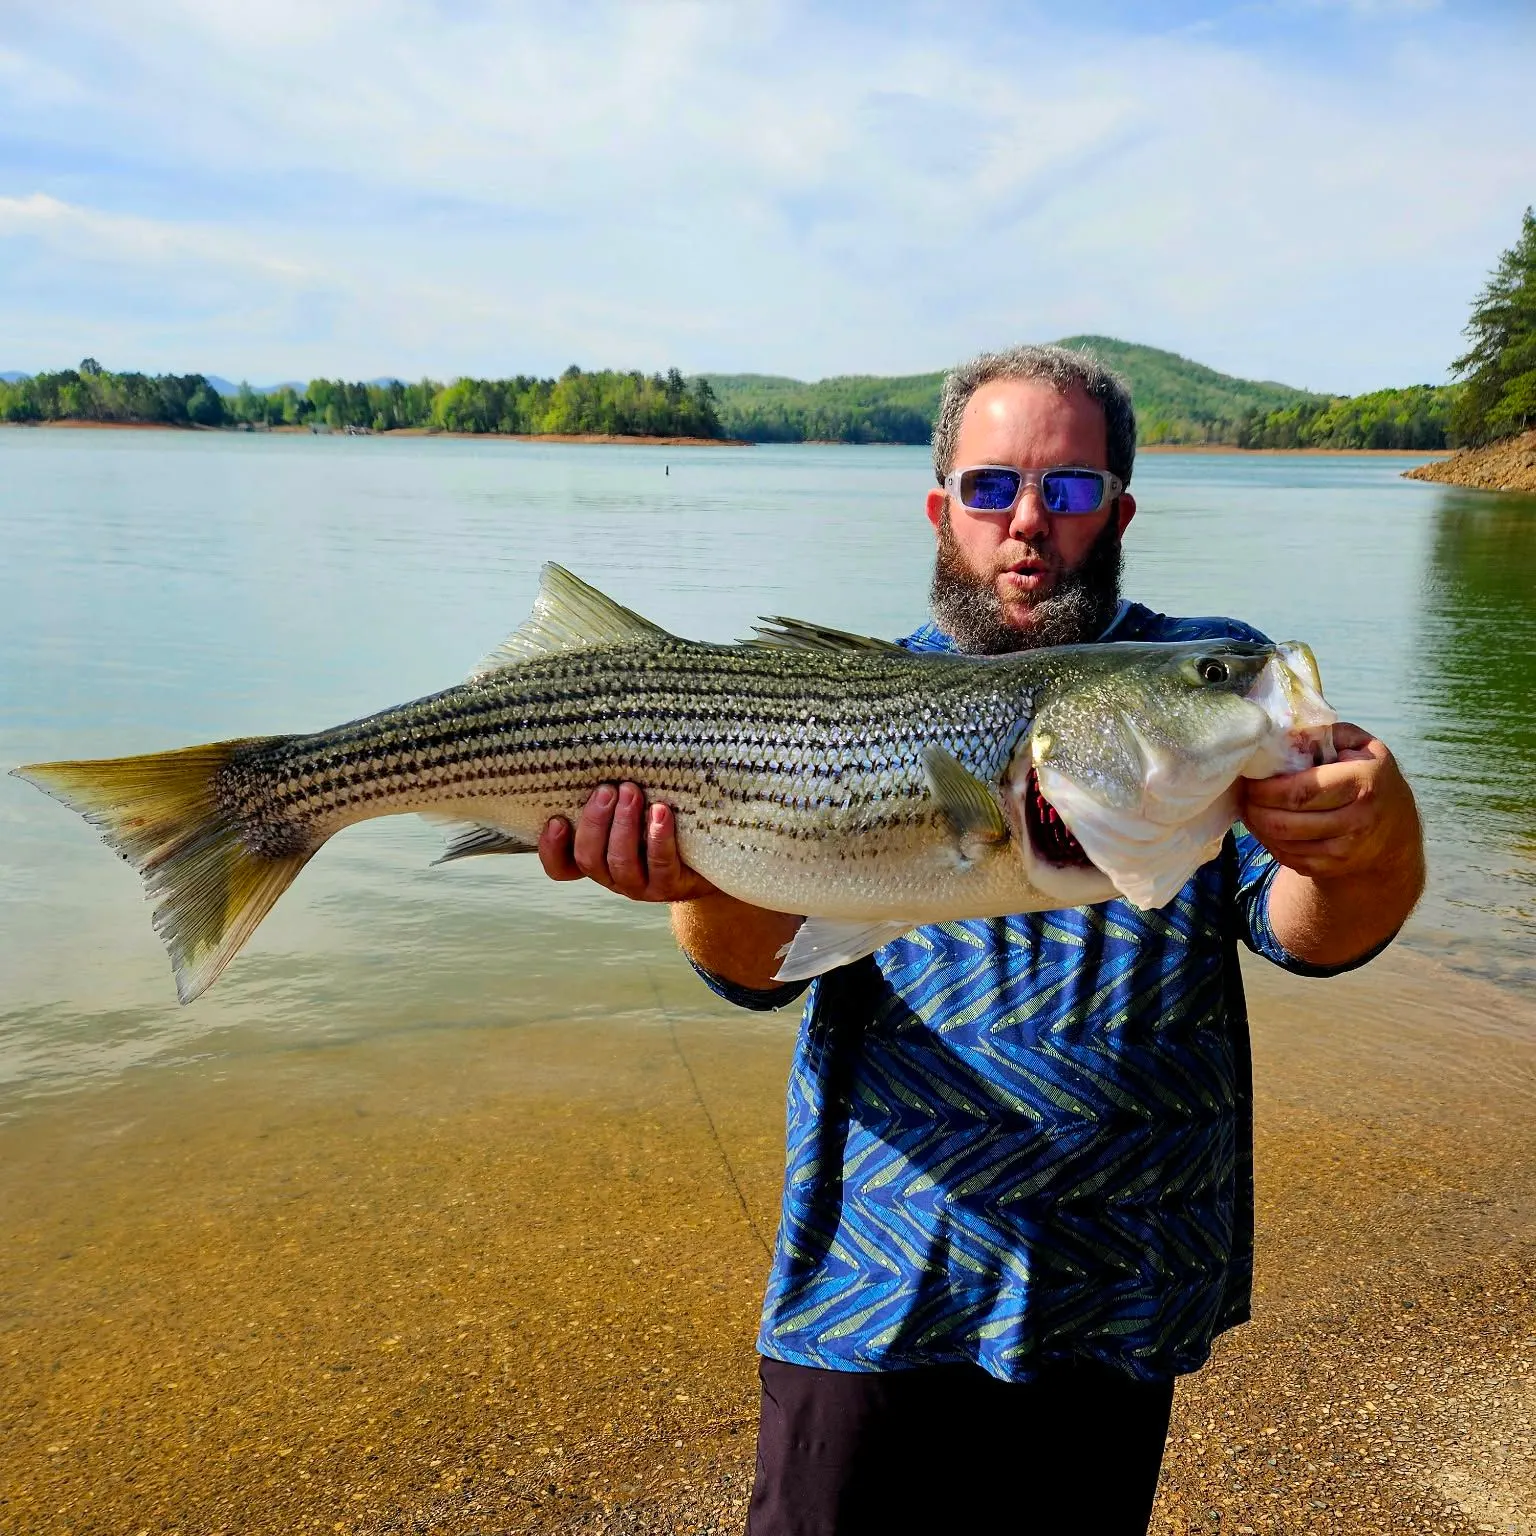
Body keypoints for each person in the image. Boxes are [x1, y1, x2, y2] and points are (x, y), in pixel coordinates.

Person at [537, 345, 1425, 1535]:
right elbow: (748, 971)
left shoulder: (1194, 691)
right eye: (991, 487)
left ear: (1117, 508)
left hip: (1122, 1291)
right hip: (876, 1289)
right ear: (939, 506)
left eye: (1065, 491)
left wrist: (1372, 835)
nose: (1026, 524)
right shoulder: (835, 701)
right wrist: (691, 866)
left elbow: (1311, 933)